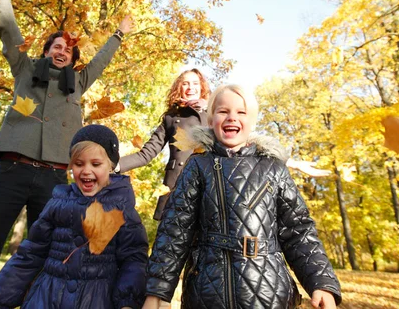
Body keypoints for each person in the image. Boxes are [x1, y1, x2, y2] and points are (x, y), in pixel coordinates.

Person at [0, 0, 134, 308]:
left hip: (52, 181)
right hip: (12, 172)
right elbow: (7, 29)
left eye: (68, 49)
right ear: (46, 50)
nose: (63, 51)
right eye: (57, 46)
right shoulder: (23, 69)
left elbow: (101, 61)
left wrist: (119, 34)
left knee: (44, 257)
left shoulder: (77, 84)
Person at [142, 85, 342, 309]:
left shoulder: (273, 168)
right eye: (223, 111)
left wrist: (321, 282)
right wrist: (157, 292)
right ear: (210, 121)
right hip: (208, 291)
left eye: (241, 112)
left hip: (269, 291)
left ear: (252, 122)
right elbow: (174, 231)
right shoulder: (198, 165)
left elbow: (299, 231)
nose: (232, 117)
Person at [0, 124, 149, 308]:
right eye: (78, 164)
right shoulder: (58, 202)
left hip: (96, 300)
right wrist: (3, 295)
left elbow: (134, 259)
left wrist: (127, 301)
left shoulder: (122, 209)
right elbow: (32, 251)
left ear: (112, 166)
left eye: (96, 164)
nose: (86, 170)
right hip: (46, 297)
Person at [117, 68, 210, 219]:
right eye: (185, 84)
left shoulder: (214, 113)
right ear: (179, 88)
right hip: (176, 187)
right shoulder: (171, 117)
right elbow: (146, 154)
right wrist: (113, 165)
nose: (190, 87)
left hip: (206, 186)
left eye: (195, 83)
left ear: (202, 88)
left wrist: (207, 109)